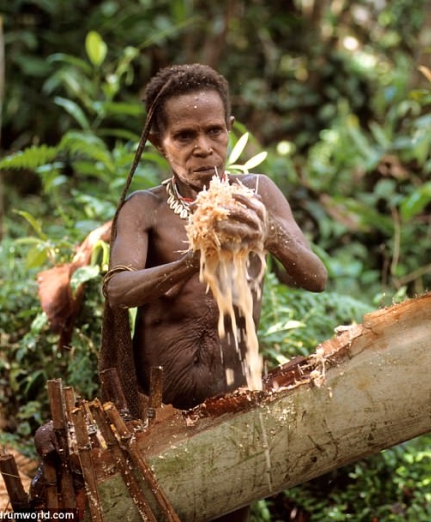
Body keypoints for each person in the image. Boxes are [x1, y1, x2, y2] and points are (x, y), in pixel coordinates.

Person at [101, 64, 328, 521]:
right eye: (185, 136)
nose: (203, 148)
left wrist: (274, 236)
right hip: (159, 410)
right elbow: (117, 290)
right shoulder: (145, 208)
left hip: (235, 403)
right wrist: (190, 262)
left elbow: (314, 277)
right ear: (157, 143)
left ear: (229, 130)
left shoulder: (257, 193)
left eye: (214, 131)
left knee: (228, 512)